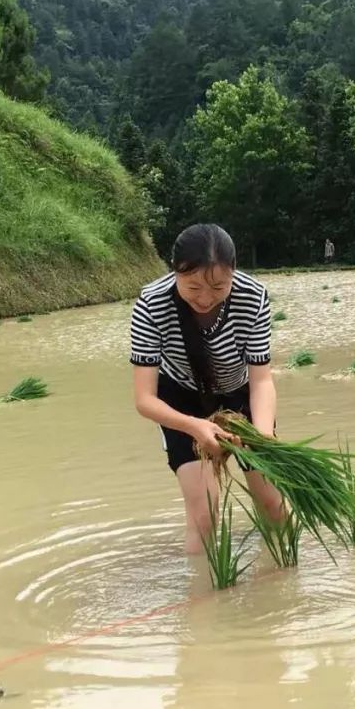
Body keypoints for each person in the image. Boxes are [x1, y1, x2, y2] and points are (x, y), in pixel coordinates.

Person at [130, 223, 287, 554]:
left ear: (233, 273)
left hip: (240, 396)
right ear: (175, 273)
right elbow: (144, 400)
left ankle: (282, 580)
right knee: (204, 515)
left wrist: (262, 437)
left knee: (273, 502)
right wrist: (195, 426)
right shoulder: (151, 303)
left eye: (218, 286)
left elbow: (261, 380)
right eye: (193, 286)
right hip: (180, 401)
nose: (205, 298)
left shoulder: (252, 296)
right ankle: (202, 597)